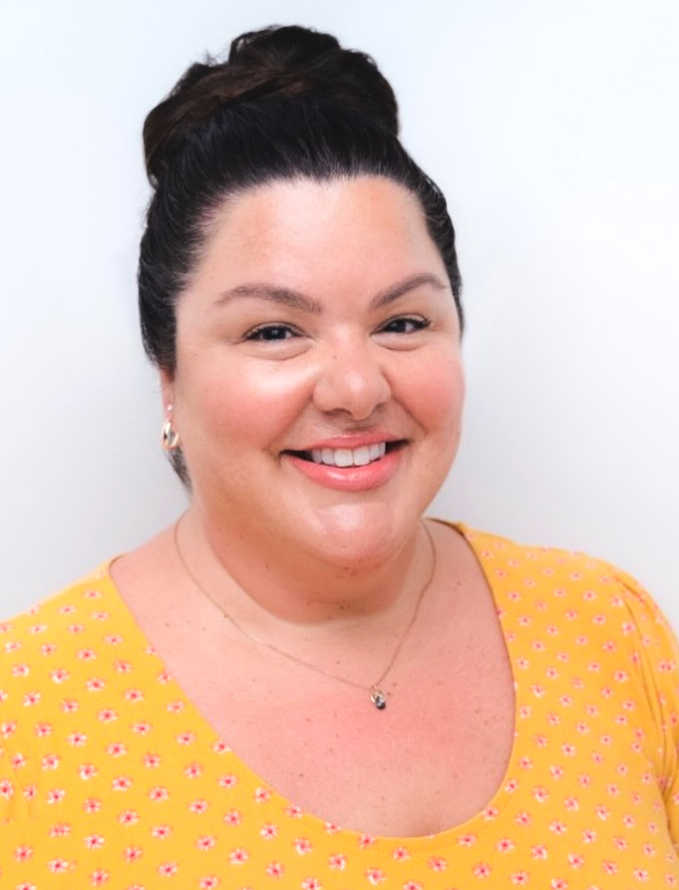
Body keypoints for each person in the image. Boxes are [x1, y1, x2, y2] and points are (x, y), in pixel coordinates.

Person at [0, 24, 677, 889]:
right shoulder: (25, 714)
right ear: (169, 377)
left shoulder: (608, 629)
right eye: (274, 331)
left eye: (403, 322)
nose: (356, 388)